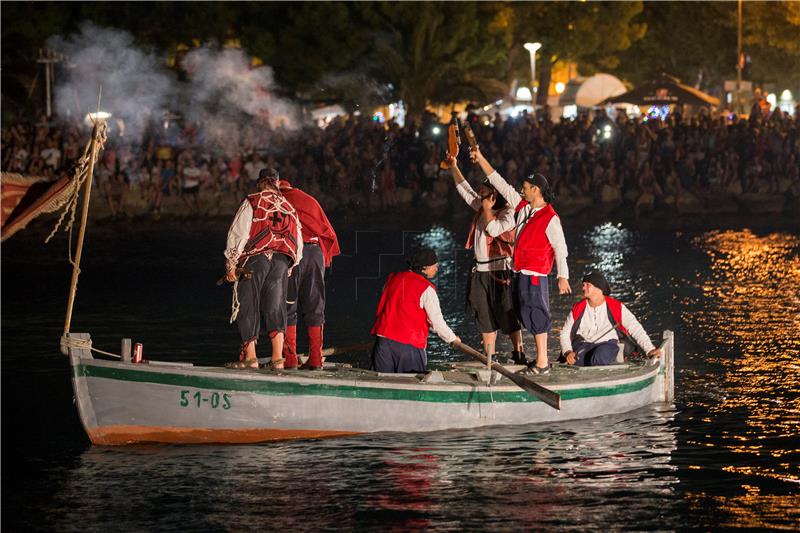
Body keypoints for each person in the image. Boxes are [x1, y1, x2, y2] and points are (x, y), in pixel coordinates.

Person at [470, 146, 571, 375]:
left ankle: (543, 362)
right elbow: (501, 183)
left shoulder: (550, 217)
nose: (521, 190)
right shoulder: (524, 208)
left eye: (525, 188)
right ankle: (537, 359)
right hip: (520, 272)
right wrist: (481, 159)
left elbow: (560, 248)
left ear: (536, 190)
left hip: (535, 275)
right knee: (525, 312)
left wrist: (562, 276)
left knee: (537, 313)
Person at [447, 154, 525, 365]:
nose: (480, 194)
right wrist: (454, 167)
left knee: (506, 313)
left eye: (484, 191)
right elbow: (465, 191)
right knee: (484, 316)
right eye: (481, 191)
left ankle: (518, 353)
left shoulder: (509, 213)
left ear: (495, 195)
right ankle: (490, 358)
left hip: (500, 271)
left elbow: (493, 228)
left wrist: (488, 210)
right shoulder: (483, 208)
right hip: (479, 272)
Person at [224, 168, 303, 370]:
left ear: (260, 183)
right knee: (276, 306)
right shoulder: (288, 207)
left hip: (255, 260)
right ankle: (278, 360)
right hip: (280, 262)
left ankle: (251, 358)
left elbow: (239, 233)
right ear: (277, 183)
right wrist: (290, 265)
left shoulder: (253, 201)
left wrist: (231, 264)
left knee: (248, 304)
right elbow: (298, 243)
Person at [277, 174, 340, 370]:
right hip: (314, 253)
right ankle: (315, 359)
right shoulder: (308, 200)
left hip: (290, 254)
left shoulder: (276, 201)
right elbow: (327, 232)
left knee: (288, 307)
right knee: (315, 305)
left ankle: (290, 359)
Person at [370, 248, 461, 373]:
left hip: (383, 341)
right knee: (411, 382)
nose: (436, 269)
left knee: (381, 384)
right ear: (424, 268)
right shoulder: (427, 289)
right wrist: (452, 339)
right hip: (408, 345)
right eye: (434, 266)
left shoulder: (392, 279)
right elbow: (436, 322)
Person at [559, 271, 662, 366]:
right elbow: (565, 333)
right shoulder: (578, 308)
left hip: (607, 345)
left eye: (587, 285)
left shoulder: (616, 307)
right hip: (582, 345)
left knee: (601, 356)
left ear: (599, 289)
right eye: (583, 285)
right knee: (577, 361)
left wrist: (649, 349)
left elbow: (635, 327)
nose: (583, 288)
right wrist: (568, 352)